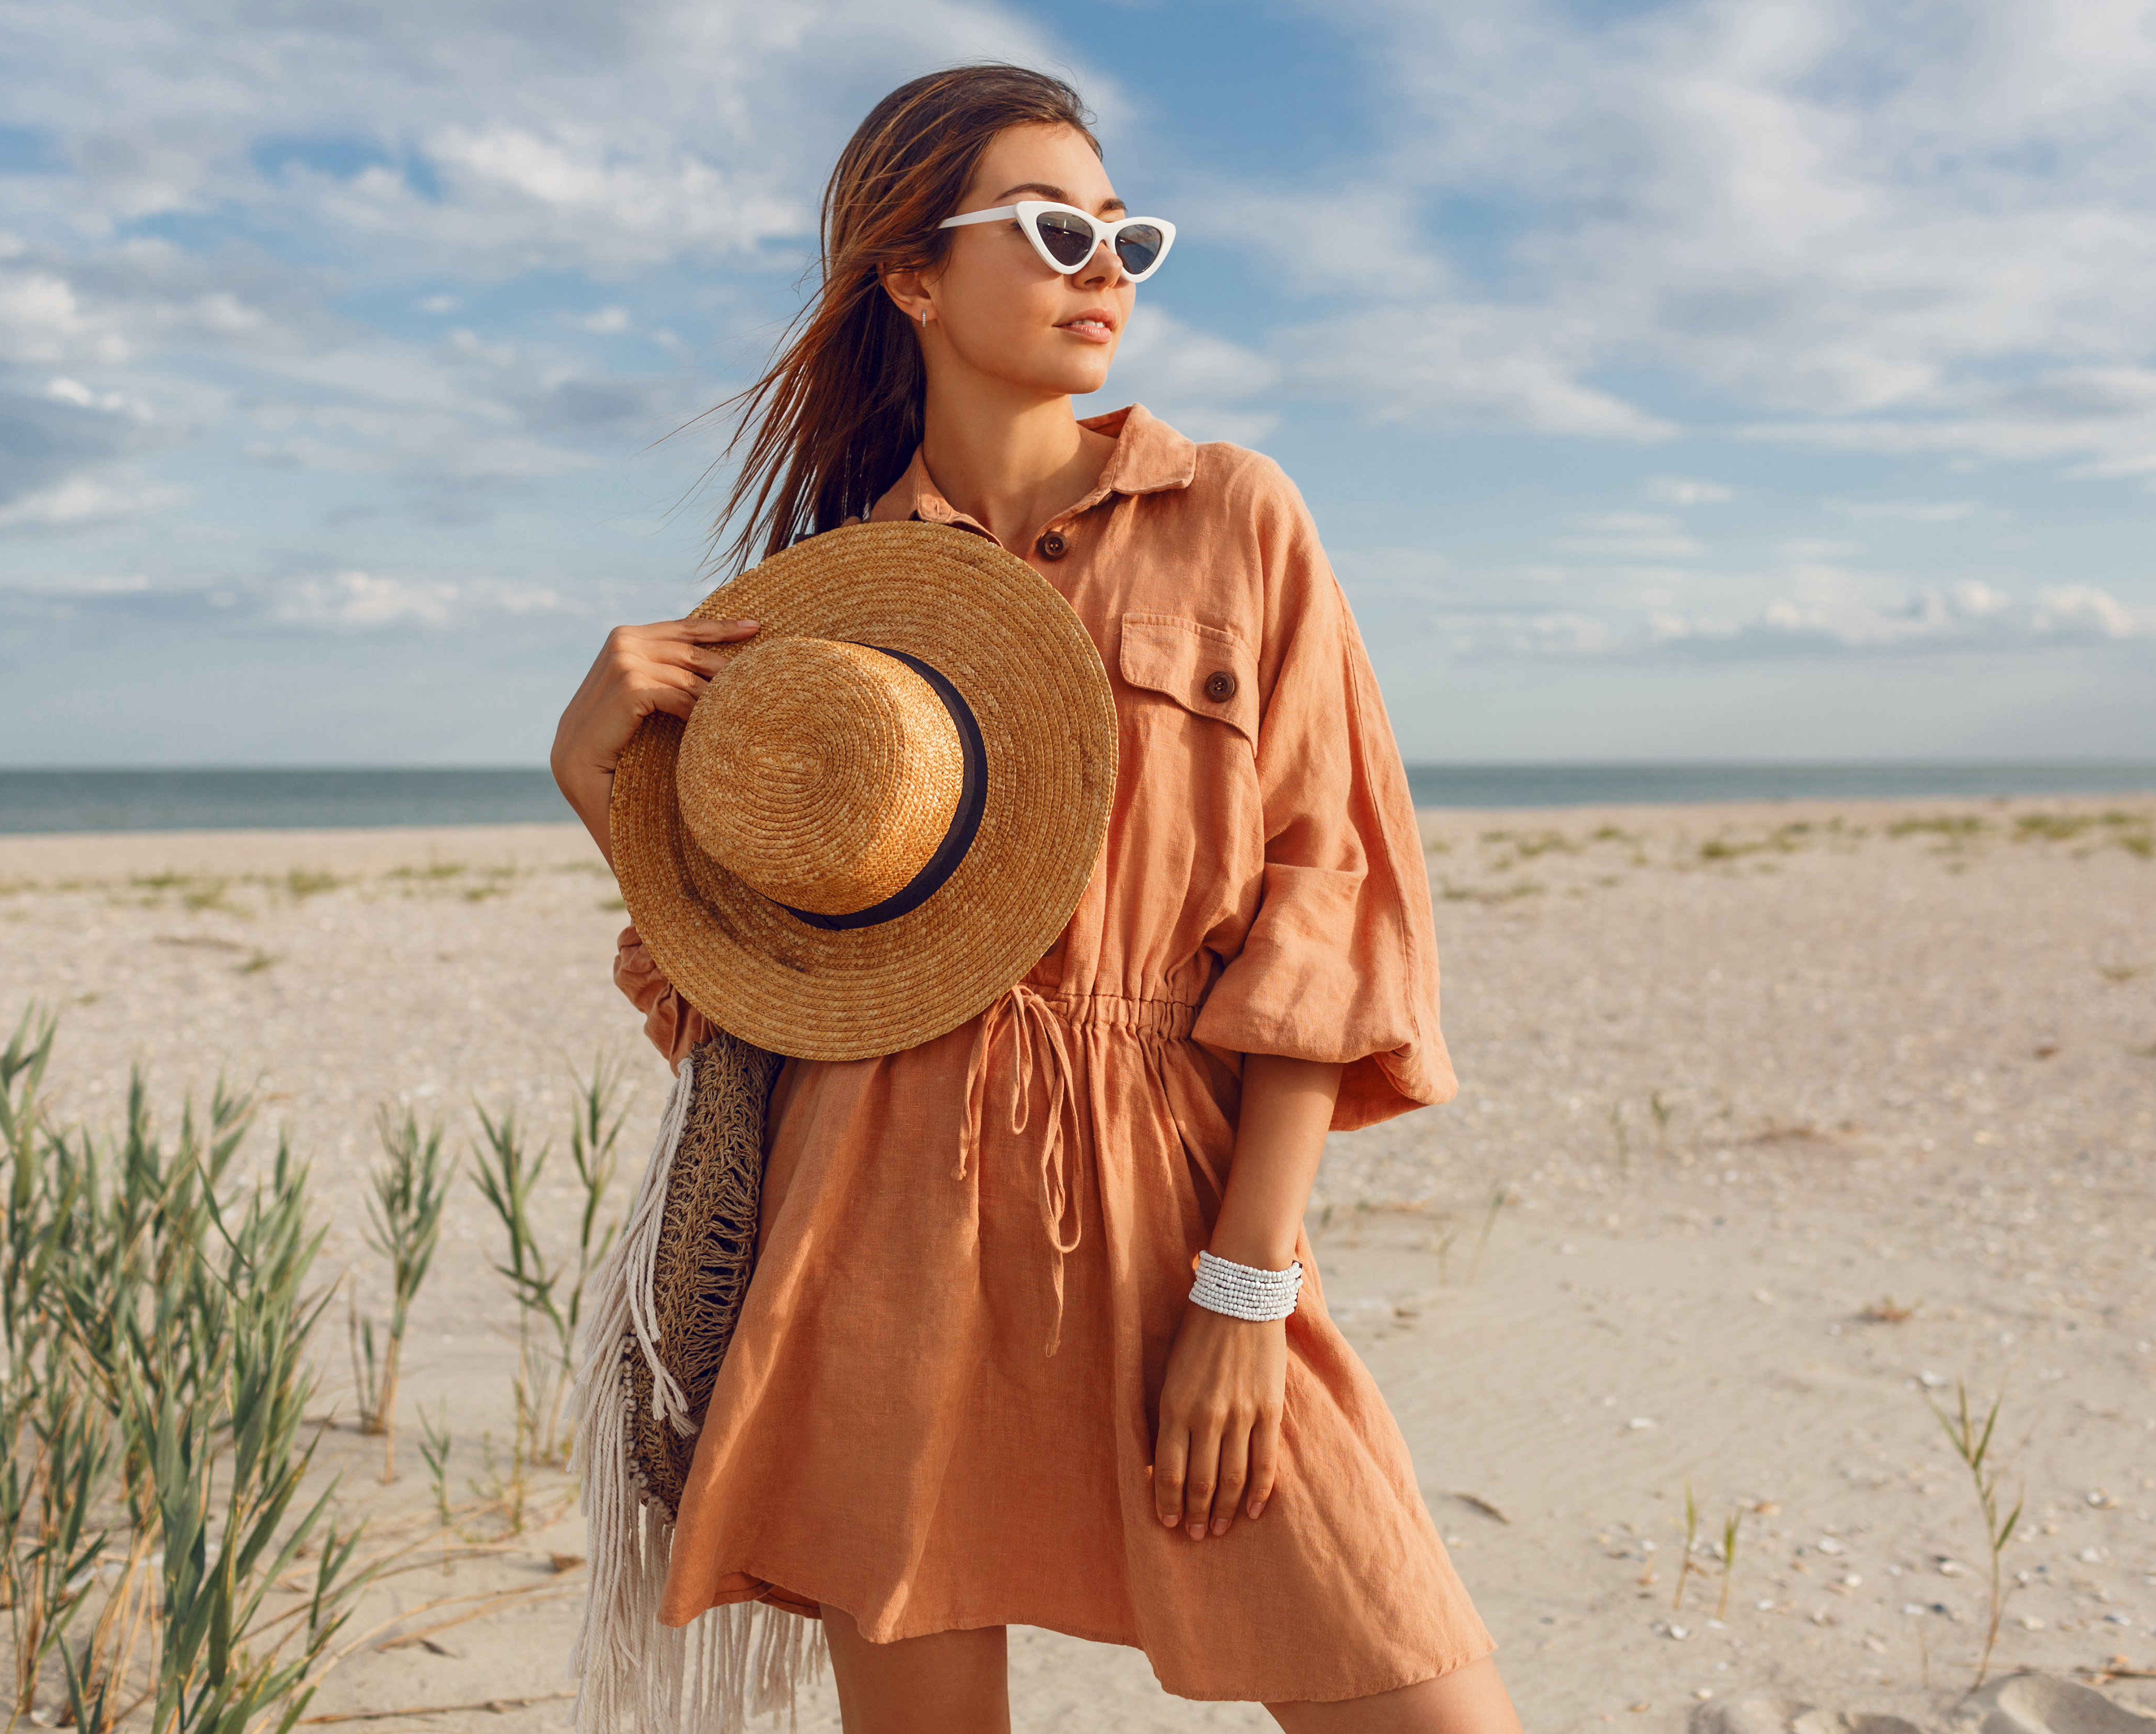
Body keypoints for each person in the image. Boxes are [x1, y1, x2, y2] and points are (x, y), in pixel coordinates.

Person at [549, 63, 1518, 1734]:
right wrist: (595, 776)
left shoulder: (1235, 517)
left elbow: (1325, 906)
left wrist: (1245, 1292)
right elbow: (749, 972)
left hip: (1172, 1197)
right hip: (869, 1217)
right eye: (1058, 229)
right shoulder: (826, 612)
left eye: (1129, 235)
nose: (1108, 271)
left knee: (1414, 1685)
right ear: (911, 276)